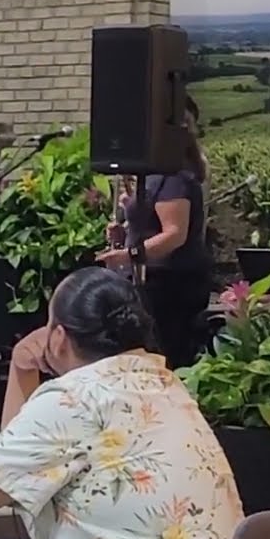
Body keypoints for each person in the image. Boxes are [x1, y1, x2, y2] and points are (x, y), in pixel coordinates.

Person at [0, 267, 243, 539]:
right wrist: (22, 366)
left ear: (58, 337)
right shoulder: (163, 384)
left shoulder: (77, 398)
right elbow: (14, 463)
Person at [96, 97, 210, 368]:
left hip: (171, 285)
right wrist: (124, 234)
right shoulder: (155, 175)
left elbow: (174, 234)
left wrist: (129, 254)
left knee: (165, 357)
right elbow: (150, 227)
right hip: (153, 281)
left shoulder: (174, 178)